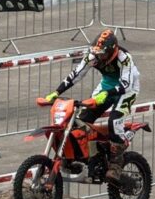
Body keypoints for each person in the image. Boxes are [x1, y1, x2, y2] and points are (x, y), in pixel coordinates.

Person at [44, 29, 141, 181]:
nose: (99, 57)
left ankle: (116, 164)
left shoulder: (124, 58)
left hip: (127, 90)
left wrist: (107, 94)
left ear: (112, 51)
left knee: (114, 120)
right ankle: (88, 155)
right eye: (97, 53)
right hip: (106, 85)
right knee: (81, 119)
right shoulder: (93, 55)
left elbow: (126, 84)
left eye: (102, 54)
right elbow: (76, 74)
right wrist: (56, 92)